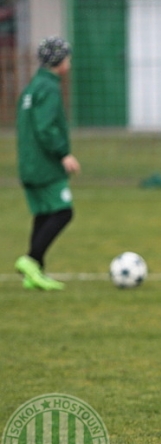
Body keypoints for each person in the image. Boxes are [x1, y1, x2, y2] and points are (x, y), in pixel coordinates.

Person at [14, 36, 80, 291]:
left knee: (43, 214)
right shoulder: (50, 88)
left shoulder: (33, 86)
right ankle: (31, 260)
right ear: (60, 61)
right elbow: (45, 127)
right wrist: (64, 153)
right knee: (64, 212)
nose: (69, 63)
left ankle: (35, 273)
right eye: (68, 58)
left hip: (29, 164)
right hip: (45, 165)